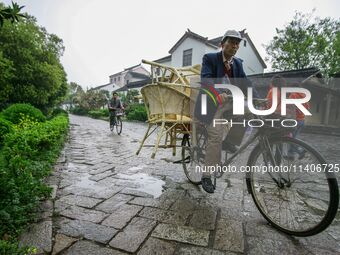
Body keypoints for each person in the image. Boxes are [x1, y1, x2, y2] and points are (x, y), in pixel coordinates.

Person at [195, 30, 258, 193]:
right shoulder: (210, 58)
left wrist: (259, 99)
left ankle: (230, 141)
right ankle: (206, 176)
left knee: (249, 111)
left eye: (237, 43)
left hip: (230, 103)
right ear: (222, 44)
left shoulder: (237, 64)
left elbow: (246, 83)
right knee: (215, 136)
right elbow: (206, 79)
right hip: (211, 103)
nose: (235, 46)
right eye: (231, 42)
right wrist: (217, 93)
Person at [287, 82, 310, 159]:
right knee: (293, 138)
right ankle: (291, 155)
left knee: (290, 139)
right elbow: (307, 108)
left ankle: (300, 151)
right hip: (302, 119)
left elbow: (290, 107)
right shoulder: (304, 96)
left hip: (295, 119)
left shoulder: (293, 95)